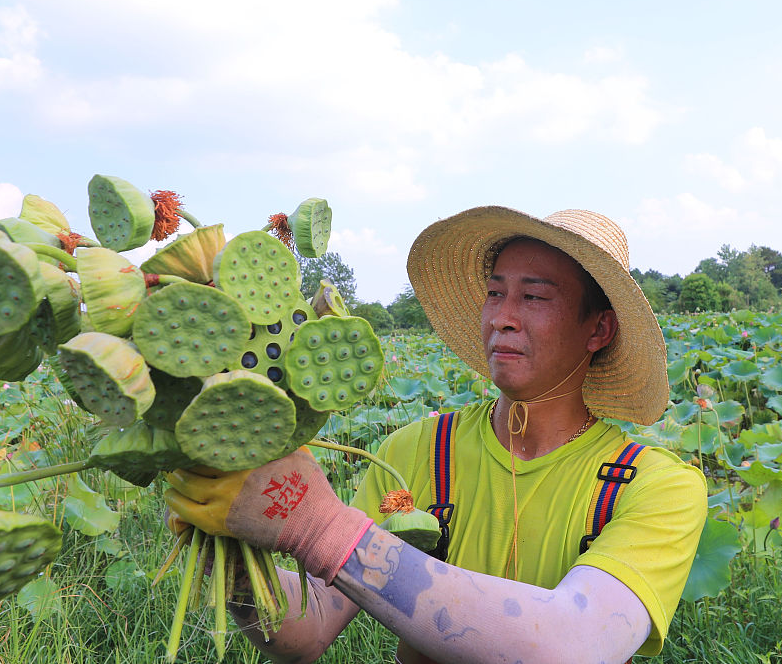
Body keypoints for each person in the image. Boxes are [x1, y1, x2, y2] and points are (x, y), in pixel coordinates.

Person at [164, 207, 707, 663]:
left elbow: (571, 646)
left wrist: (321, 529)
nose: (503, 318)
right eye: (495, 295)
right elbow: (311, 629)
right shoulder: (418, 451)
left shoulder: (655, 487)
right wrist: (229, 547)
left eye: (534, 298)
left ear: (599, 328)